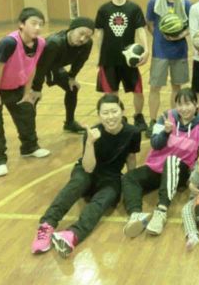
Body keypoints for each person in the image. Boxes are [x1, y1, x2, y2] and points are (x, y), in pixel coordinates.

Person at [31, 94, 140, 258]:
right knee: (77, 183)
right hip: (88, 171)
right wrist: (90, 142)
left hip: (112, 177)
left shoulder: (133, 132)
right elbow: (88, 167)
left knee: (103, 200)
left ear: (122, 112)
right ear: (99, 115)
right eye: (105, 113)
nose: (110, 117)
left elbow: (131, 158)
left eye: (114, 111)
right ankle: (47, 225)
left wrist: (130, 185)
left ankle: (72, 235)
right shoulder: (93, 133)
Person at [122, 88, 199, 237]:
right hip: (158, 168)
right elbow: (155, 144)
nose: (184, 108)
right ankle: (136, 215)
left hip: (181, 171)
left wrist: (197, 177)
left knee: (172, 160)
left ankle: (161, 211)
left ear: (196, 105)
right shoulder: (165, 117)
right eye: (180, 104)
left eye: (188, 104)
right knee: (129, 177)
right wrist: (165, 132)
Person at [0, 7, 49, 177]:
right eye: (33, 23)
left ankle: (29, 147)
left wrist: (27, 92)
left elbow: (32, 67)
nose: (38, 28)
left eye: (40, 24)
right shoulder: (9, 42)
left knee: (26, 111)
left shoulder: (40, 43)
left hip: (14, 84)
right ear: (21, 24)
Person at [95, 0, 149, 131]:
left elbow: (140, 29)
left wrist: (146, 49)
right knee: (111, 94)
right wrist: (99, 56)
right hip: (109, 59)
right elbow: (99, 33)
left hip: (129, 59)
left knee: (138, 91)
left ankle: (138, 116)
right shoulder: (104, 9)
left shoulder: (134, 8)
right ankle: (118, 117)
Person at [30, 16, 95, 133]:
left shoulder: (87, 44)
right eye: (81, 33)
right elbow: (41, 68)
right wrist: (36, 88)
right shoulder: (54, 43)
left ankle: (69, 123)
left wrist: (72, 77)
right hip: (35, 67)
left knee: (72, 88)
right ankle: (29, 133)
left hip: (55, 66)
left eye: (87, 37)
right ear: (72, 29)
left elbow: (80, 61)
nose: (83, 39)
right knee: (33, 98)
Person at [146, 0, 192, 130]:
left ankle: (174, 119)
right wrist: (160, 37)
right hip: (160, 51)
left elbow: (191, 26)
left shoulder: (186, 3)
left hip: (179, 51)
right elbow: (150, 24)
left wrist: (179, 36)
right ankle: (152, 121)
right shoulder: (153, 2)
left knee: (177, 87)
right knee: (155, 87)